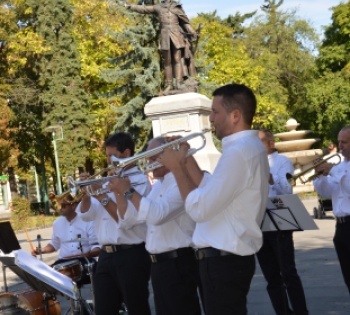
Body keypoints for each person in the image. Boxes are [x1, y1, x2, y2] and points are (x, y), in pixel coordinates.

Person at [155, 83, 270, 315]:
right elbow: (212, 190)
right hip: (226, 261)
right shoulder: (245, 147)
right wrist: (185, 157)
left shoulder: (239, 151)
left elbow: (200, 209)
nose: (211, 120)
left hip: (223, 262)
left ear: (235, 115)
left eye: (215, 112)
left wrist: (176, 169)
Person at [106, 136, 201, 315]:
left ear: (170, 155)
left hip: (177, 263)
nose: (148, 162)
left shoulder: (180, 182)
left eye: (153, 157)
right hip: (160, 265)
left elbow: (157, 215)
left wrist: (128, 190)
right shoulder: (158, 186)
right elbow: (128, 220)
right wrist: (118, 192)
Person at [76, 132, 152, 315]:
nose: (108, 161)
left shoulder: (139, 181)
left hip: (131, 254)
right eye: (107, 156)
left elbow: (125, 219)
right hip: (106, 256)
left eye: (112, 156)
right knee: (103, 310)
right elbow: (86, 215)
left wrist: (101, 195)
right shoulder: (106, 180)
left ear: (126, 154)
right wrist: (86, 193)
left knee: (137, 309)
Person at [257, 129, 309, 315]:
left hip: (278, 218)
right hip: (257, 220)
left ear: (271, 143)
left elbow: (288, 189)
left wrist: (270, 177)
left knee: (288, 272)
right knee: (270, 276)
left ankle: (301, 311)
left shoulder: (282, 161)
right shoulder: (250, 164)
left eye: (260, 142)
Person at [125, 0, 197, 93]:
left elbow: (185, 22)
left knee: (177, 60)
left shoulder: (177, 6)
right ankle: (169, 85)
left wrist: (193, 32)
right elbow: (144, 9)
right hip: (165, 36)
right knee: (167, 62)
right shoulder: (159, 7)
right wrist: (131, 7)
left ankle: (178, 83)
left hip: (176, 35)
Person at [31, 195, 100, 285]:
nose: (60, 208)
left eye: (63, 205)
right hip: (63, 261)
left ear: (73, 206)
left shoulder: (88, 221)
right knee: (43, 277)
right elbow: (54, 244)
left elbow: (96, 246)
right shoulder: (57, 223)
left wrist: (90, 254)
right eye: (58, 205)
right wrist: (41, 250)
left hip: (84, 260)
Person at [313, 125, 350, 293]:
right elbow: (326, 192)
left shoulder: (337, 169)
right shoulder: (340, 166)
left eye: (345, 142)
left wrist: (332, 170)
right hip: (341, 227)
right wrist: (320, 175)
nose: (340, 146)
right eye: (339, 142)